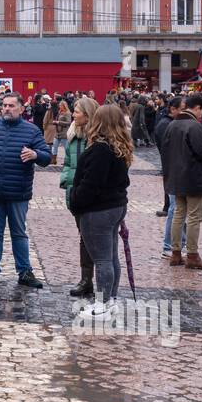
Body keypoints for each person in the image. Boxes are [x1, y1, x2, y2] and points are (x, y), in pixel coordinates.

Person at [0, 93, 52, 289]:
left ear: (21, 108)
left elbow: (46, 157)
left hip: (18, 192)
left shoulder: (31, 130)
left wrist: (35, 154)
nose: (7, 109)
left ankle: (24, 272)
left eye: (11, 106)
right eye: (4, 105)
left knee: (19, 234)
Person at [66, 104, 133, 317]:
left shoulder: (100, 149)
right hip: (114, 206)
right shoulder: (119, 146)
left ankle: (103, 303)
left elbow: (91, 184)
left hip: (98, 209)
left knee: (103, 258)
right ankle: (110, 299)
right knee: (111, 256)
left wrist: (75, 201)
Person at [163, 94, 202, 269]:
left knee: (179, 214)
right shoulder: (193, 126)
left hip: (175, 177)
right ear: (197, 107)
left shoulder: (172, 124)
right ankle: (192, 255)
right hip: (193, 177)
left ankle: (175, 253)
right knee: (194, 216)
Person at [60, 96, 100, 298]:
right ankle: (86, 280)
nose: (73, 114)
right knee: (84, 238)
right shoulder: (73, 136)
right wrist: (67, 183)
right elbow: (67, 163)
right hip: (76, 194)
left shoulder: (98, 139)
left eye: (76, 111)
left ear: (88, 114)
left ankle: (99, 281)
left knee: (95, 239)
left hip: (94, 196)